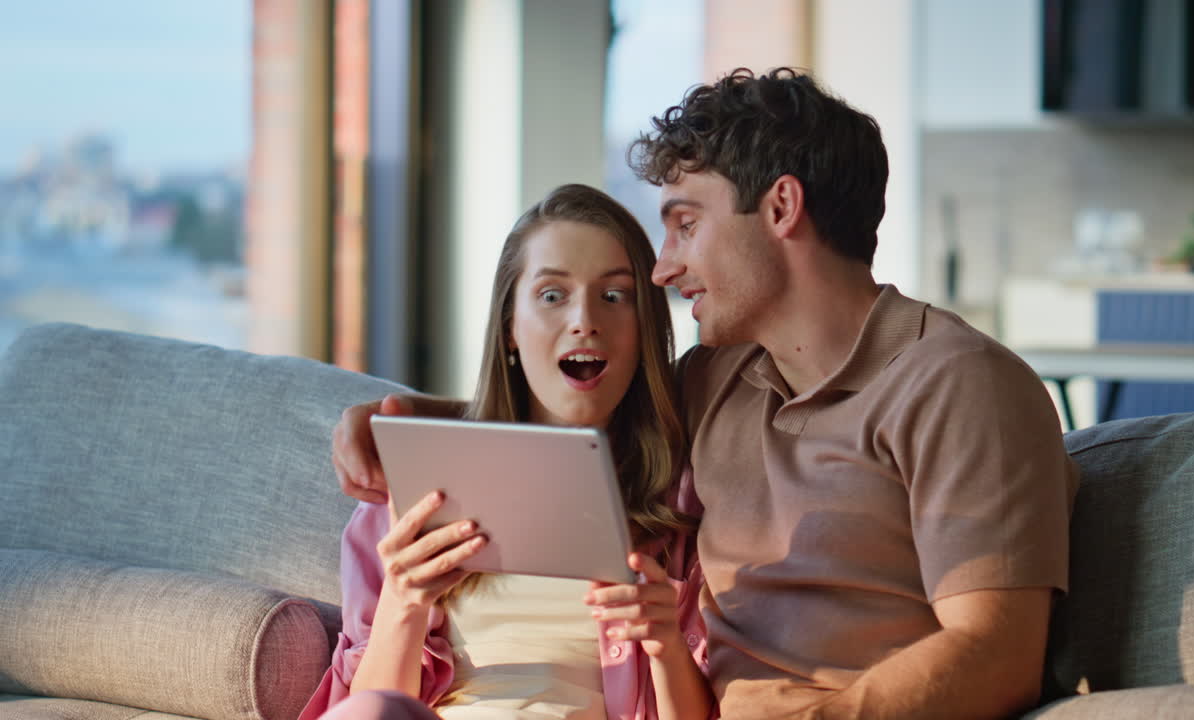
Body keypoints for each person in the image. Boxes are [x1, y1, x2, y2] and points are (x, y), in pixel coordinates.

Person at [334, 69, 1077, 719]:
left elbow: (998, 656)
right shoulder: (717, 383)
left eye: (686, 225)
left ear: (781, 208)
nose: (663, 268)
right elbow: (574, 411)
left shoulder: (959, 386)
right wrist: (392, 423)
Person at [302, 184, 714, 720]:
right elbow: (368, 709)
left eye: (614, 296)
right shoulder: (411, 484)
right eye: (552, 295)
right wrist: (404, 603)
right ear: (510, 328)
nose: (584, 320)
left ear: (645, 330)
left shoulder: (683, 502)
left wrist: (665, 645)